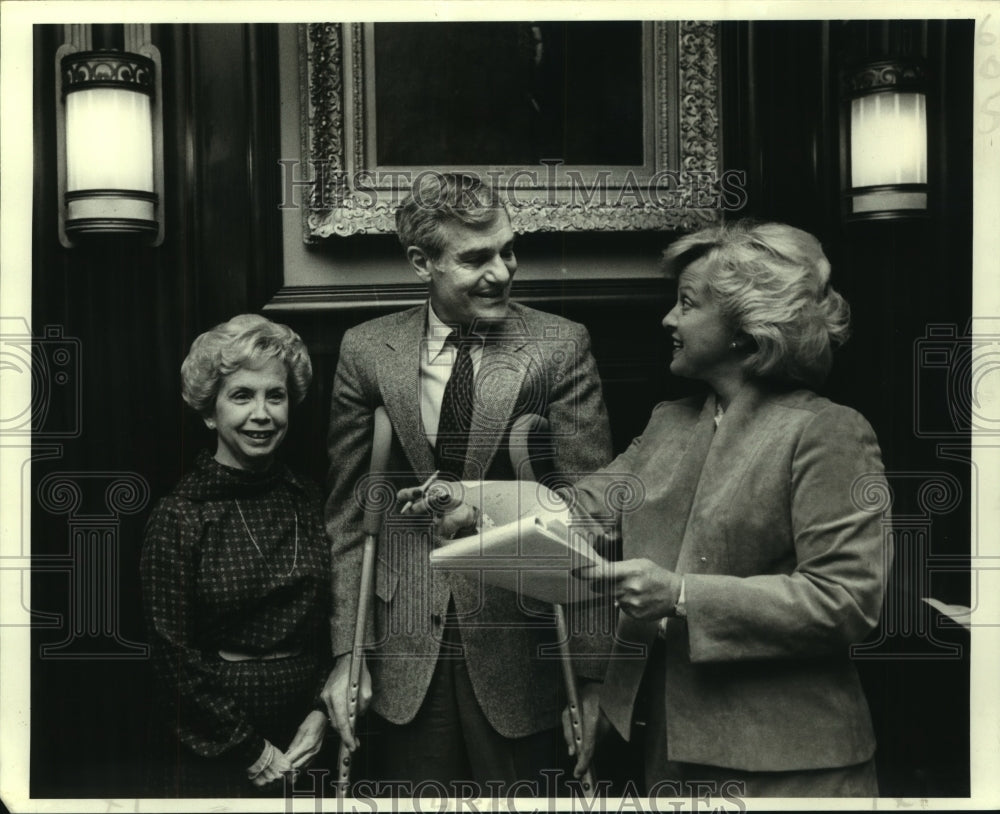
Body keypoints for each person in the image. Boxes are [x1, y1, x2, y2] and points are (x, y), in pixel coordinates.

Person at [561, 220, 892, 797]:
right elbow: (581, 508)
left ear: (746, 329)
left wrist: (682, 595)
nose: (668, 319)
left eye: (687, 304)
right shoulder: (671, 422)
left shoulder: (827, 431)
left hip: (791, 768)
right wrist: (471, 503)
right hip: (665, 753)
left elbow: (847, 600)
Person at [321, 172, 613, 792]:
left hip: (525, 638)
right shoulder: (368, 351)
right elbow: (351, 514)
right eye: (476, 258)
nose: (502, 272)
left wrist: (591, 680)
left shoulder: (559, 347)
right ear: (421, 262)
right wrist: (350, 653)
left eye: (508, 250)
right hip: (403, 645)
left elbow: (594, 514)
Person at [140, 314, 332, 797]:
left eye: (276, 395)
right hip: (217, 742)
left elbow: (337, 616)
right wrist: (249, 749)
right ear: (210, 411)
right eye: (242, 396)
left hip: (309, 732)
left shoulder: (308, 500)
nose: (262, 414)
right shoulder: (180, 515)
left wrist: (321, 712)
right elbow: (170, 656)